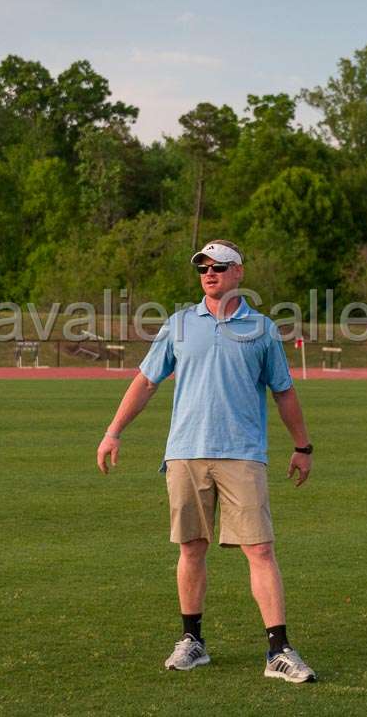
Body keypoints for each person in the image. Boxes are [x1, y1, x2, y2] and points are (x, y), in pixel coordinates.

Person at [95, 239, 318, 684]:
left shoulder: (261, 328)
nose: (209, 273)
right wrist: (113, 431)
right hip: (185, 453)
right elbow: (145, 382)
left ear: (239, 273)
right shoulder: (179, 324)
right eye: (203, 267)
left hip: (242, 454)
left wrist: (302, 446)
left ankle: (278, 650)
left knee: (260, 550)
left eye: (218, 266)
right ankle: (192, 641)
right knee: (191, 548)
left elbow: (283, 391)